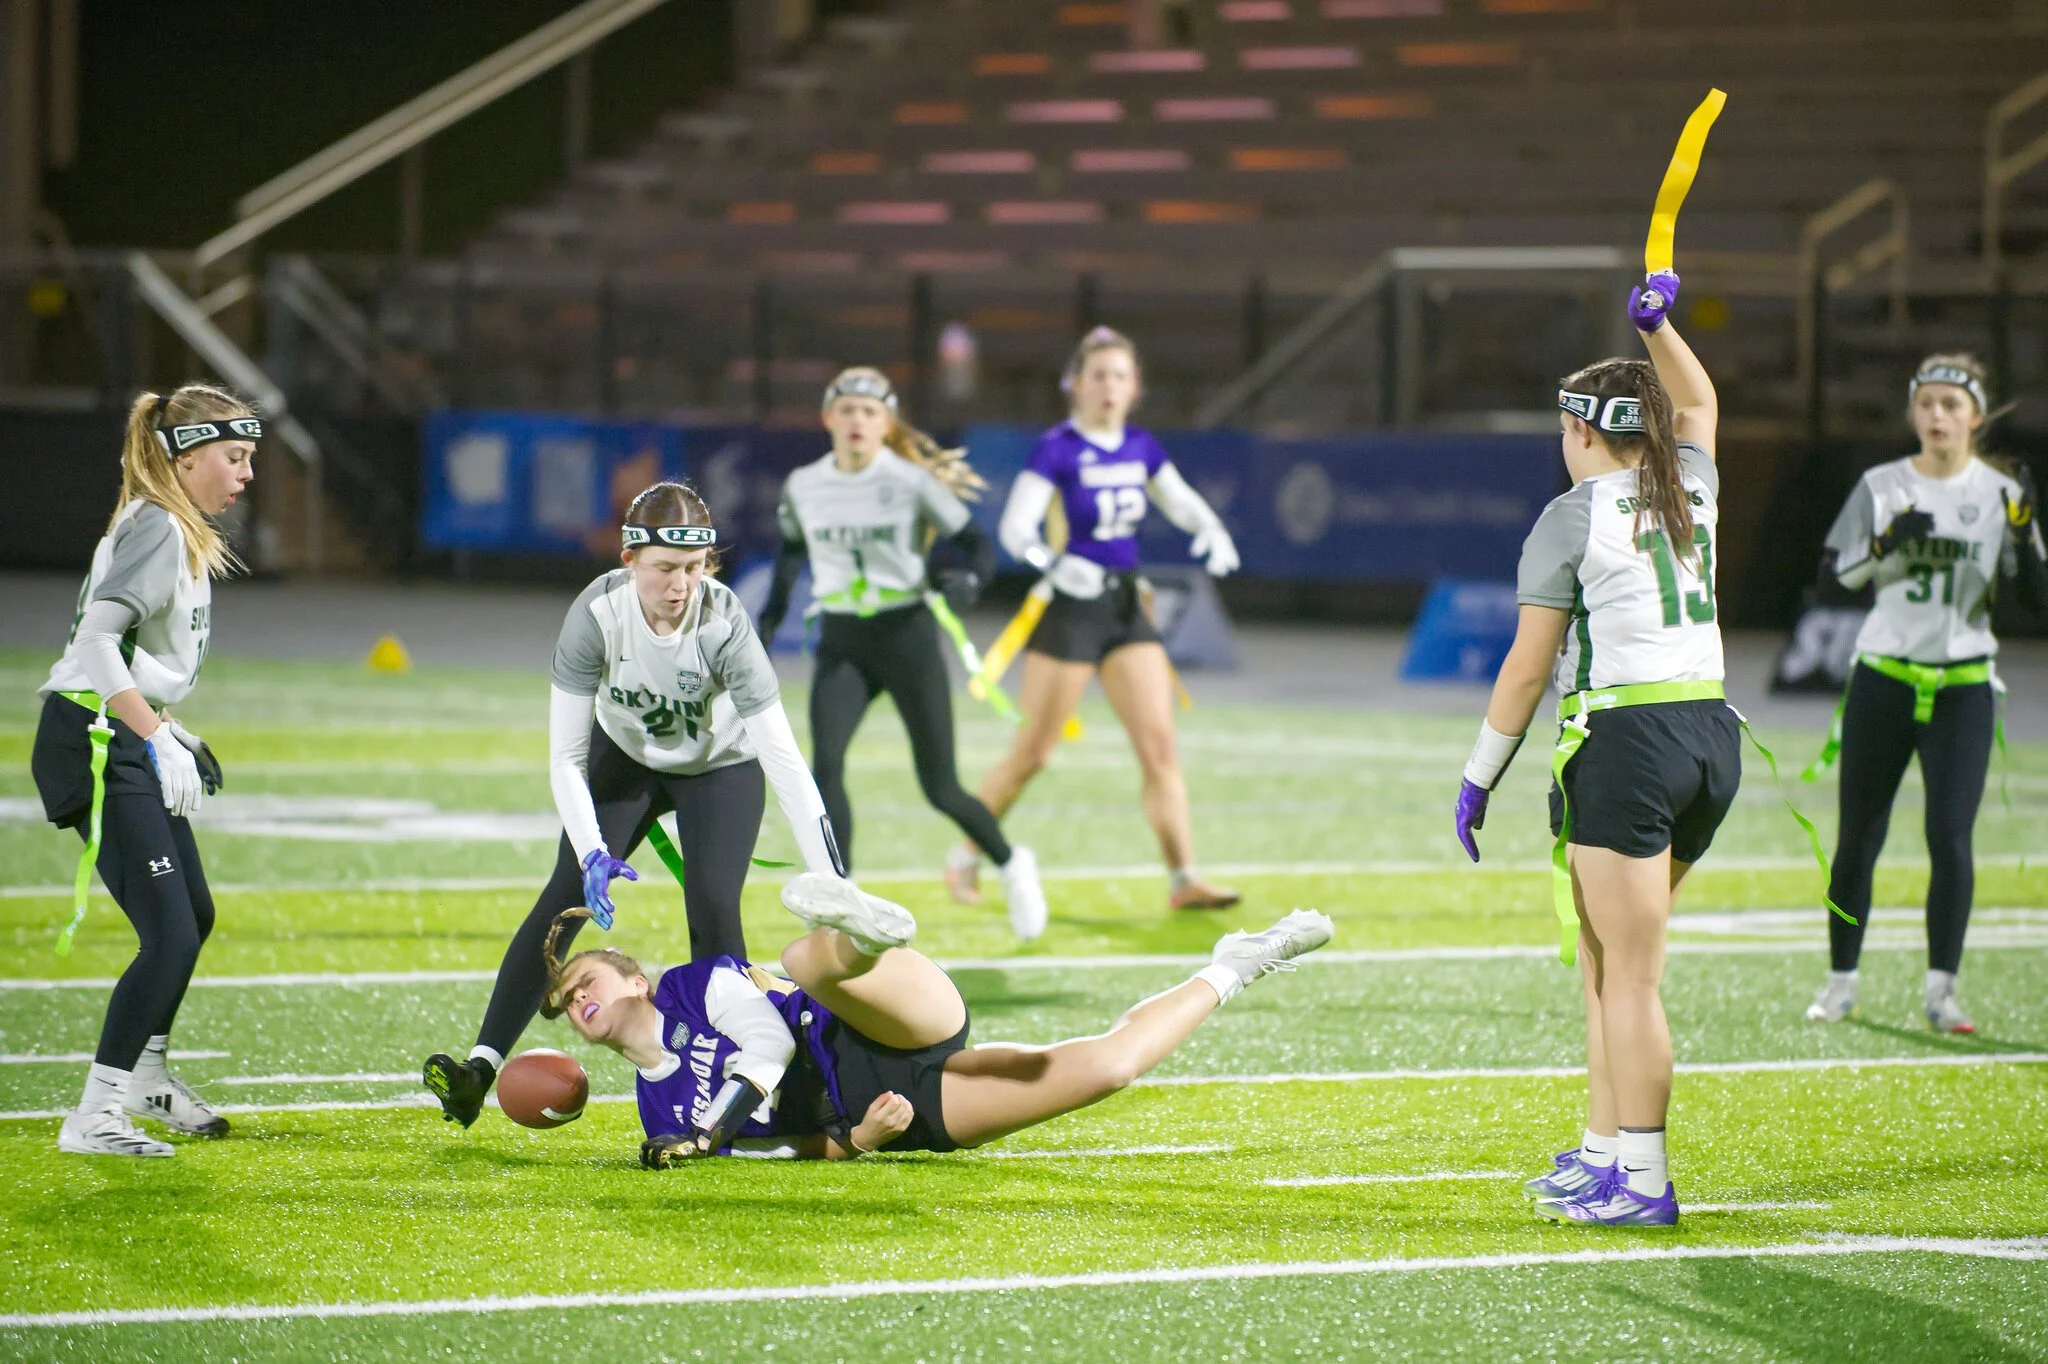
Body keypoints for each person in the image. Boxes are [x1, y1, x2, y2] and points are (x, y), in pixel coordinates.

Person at [422, 481, 852, 1127]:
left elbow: (787, 765)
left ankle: (737, 1099)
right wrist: (593, 851)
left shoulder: (724, 624)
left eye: (693, 568)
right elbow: (566, 756)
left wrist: (835, 882)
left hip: (719, 767)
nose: (680, 585)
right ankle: (478, 1068)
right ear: (629, 561)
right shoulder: (596, 615)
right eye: (664, 569)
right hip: (623, 759)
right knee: (561, 903)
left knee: (712, 907)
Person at [1453, 271, 1732, 1226]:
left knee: (1630, 974)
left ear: (1578, 431)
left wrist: (1477, 775)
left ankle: (1644, 1180)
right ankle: (1607, 1151)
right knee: (1608, 965)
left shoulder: (1571, 516)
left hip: (1629, 742)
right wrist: (1662, 328)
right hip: (1708, 738)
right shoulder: (1688, 478)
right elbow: (1697, 399)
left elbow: (1526, 673)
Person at [545, 872, 1333, 1161]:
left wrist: (714, 1126)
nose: (580, 999)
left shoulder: (691, 985)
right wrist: (856, 1142)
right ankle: (1238, 962)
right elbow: (777, 1154)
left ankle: (861, 936)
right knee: (1107, 1068)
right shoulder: (658, 1112)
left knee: (809, 961)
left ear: (635, 978)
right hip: (894, 1107)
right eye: (568, 1006)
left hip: (870, 1023)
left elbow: (769, 1037)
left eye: (586, 978)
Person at [31, 385, 258, 1156]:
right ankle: (93, 1116)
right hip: (94, 737)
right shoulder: (160, 525)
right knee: (167, 936)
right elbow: (98, 644)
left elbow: (131, 655)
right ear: (186, 456)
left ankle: (148, 1077)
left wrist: (166, 727)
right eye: (234, 457)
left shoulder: (170, 521)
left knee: (192, 917)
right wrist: (153, 734)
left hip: (115, 731)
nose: (245, 474)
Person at [946, 327, 1241, 912]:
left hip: (1125, 606)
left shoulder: (1140, 445)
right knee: (1032, 753)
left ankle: (1183, 877)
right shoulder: (1056, 448)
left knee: (1159, 750)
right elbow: (1015, 529)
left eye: (1121, 376)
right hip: (1072, 609)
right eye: (1099, 375)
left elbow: (1176, 498)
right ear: (1074, 385)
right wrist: (1054, 565)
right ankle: (964, 858)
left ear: (1136, 388)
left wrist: (1210, 527)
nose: (1109, 387)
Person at [758, 368, 1048, 940]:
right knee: (827, 767)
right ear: (828, 419)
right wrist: (767, 622)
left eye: (869, 412)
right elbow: (793, 553)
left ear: (886, 423)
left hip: (906, 636)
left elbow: (977, 544)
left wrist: (970, 580)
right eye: (847, 410)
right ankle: (841, 895)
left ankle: (1013, 864)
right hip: (843, 638)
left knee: (939, 785)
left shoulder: (909, 481)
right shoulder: (805, 483)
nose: (857, 421)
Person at [1803, 354, 2047, 1033]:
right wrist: (1883, 542)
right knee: (1858, 839)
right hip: (1883, 676)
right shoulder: (1882, 485)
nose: (1938, 415)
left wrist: (2025, 538)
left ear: (1975, 415)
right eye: (1927, 403)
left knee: (1950, 837)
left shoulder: (2001, 493)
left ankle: (1942, 991)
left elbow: (2033, 600)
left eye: (1952, 403)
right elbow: (1829, 583)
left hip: (1963, 687)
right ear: (1912, 412)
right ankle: (1840, 981)